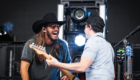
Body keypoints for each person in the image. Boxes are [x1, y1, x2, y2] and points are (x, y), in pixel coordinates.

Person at [46, 15, 115, 80]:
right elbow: (113, 75)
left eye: (85, 27)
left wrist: (56, 64)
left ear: (90, 27)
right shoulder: (108, 46)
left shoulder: (92, 41)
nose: (84, 31)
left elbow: (82, 67)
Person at [20, 13, 71, 80]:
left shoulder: (62, 45)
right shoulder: (31, 44)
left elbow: (69, 65)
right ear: (44, 29)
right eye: (53, 26)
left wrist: (68, 74)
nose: (57, 29)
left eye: (58, 26)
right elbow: (24, 68)